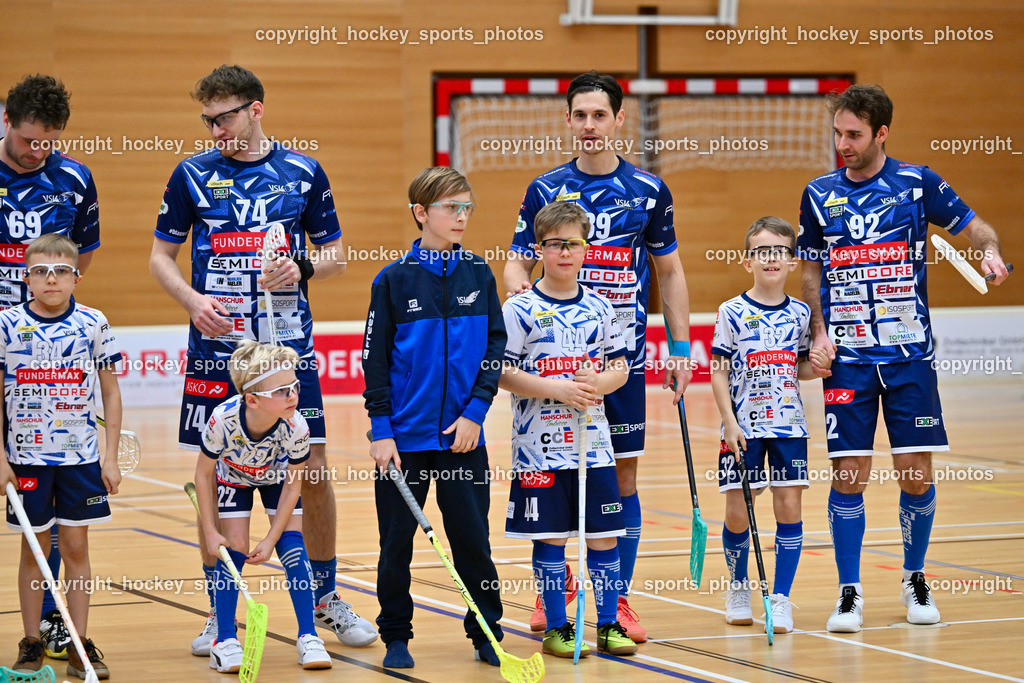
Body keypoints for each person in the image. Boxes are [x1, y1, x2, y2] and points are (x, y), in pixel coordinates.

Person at [149, 64, 375, 654]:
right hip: (215, 355)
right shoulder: (192, 174)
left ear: (256, 110)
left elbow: (337, 256)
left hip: (288, 354)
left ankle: (324, 598)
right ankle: (218, 610)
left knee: (314, 468)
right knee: (214, 474)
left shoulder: (302, 171)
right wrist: (193, 300)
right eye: (207, 120)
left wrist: (302, 268)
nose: (215, 130)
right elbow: (160, 258)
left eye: (223, 117)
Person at [797, 84, 1011, 632]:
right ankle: (849, 592)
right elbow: (812, 270)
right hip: (847, 359)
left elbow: (974, 225)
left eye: (854, 135)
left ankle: (915, 577)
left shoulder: (918, 183)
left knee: (915, 473)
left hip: (909, 356)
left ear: (881, 133)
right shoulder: (818, 194)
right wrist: (817, 331)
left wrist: (988, 249)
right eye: (838, 133)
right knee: (849, 473)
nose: (842, 144)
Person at [502, 71, 692, 642]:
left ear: (618, 120)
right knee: (550, 476)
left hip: (618, 363)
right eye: (579, 115)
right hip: (551, 367)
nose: (589, 126)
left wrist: (680, 349)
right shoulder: (545, 188)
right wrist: (521, 302)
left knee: (620, 478)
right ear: (568, 120)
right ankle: (553, 595)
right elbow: (516, 263)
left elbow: (670, 270)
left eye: (599, 115)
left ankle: (616, 603)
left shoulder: (649, 190)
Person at [363, 167, 506, 669]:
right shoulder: (393, 279)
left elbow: (494, 348)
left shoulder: (479, 273)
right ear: (422, 213)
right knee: (395, 543)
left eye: (467, 206)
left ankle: (487, 631)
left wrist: (475, 413)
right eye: (451, 207)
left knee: (473, 541)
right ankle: (396, 636)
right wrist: (382, 432)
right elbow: (374, 359)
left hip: (464, 439)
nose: (461, 216)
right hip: (404, 442)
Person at [500, 201, 637, 658]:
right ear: (539, 249)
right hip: (537, 448)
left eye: (573, 244)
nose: (564, 252)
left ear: (586, 248)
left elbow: (620, 367)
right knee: (552, 537)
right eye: (554, 244)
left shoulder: (605, 308)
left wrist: (601, 381)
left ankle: (609, 624)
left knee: (603, 536)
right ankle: (557, 625)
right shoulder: (519, 308)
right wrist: (556, 389)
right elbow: (501, 373)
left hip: (592, 445)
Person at [0, 74, 102, 661]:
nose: (38, 151)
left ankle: (53, 629)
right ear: (7, 122)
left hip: (42, 350)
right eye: (29, 139)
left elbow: (79, 253)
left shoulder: (73, 179)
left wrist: (45, 300)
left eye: (49, 141)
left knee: (41, 488)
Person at [0, 234, 121, 679]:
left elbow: (110, 391)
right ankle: (32, 642)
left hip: (80, 461)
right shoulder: (6, 324)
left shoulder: (94, 322)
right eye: (40, 271)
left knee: (75, 547)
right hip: (26, 459)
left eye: (61, 271)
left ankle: (79, 643)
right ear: (27, 278)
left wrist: (109, 457)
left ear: (76, 277)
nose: (51, 279)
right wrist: (0, 457)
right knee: (33, 552)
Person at [709, 217, 830, 634]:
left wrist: (817, 367)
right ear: (748, 262)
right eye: (762, 251)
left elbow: (798, 369)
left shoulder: (801, 314)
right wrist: (728, 422)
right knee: (738, 511)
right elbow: (718, 370)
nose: (771, 258)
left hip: (789, 427)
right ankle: (739, 587)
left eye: (780, 251)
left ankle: (779, 599)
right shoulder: (732, 311)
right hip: (741, 428)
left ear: (792, 261)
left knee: (789, 508)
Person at [194, 341, 332, 672]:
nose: (294, 396)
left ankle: (308, 637)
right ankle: (225, 639)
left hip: (277, 481)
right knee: (234, 548)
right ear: (252, 399)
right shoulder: (221, 420)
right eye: (283, 391)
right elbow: (202, 475)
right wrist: (211, 532)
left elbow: (293, 484)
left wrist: (271, 539)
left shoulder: (297, 426)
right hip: (233, 479)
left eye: (295, 387)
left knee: (292, 547)